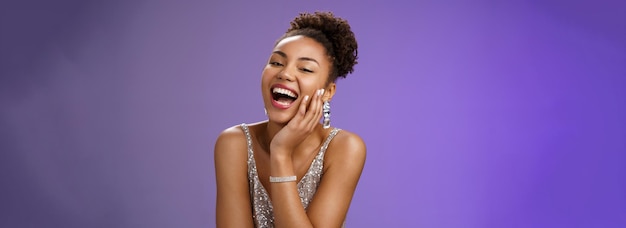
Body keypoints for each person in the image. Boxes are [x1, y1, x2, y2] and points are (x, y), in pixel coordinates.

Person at [214, 11, 366, 228]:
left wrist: (281, 153)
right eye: (276, 63)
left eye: (305, 68)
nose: (284, 74)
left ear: (328, 92)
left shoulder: (345, 148)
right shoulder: (233, 143)